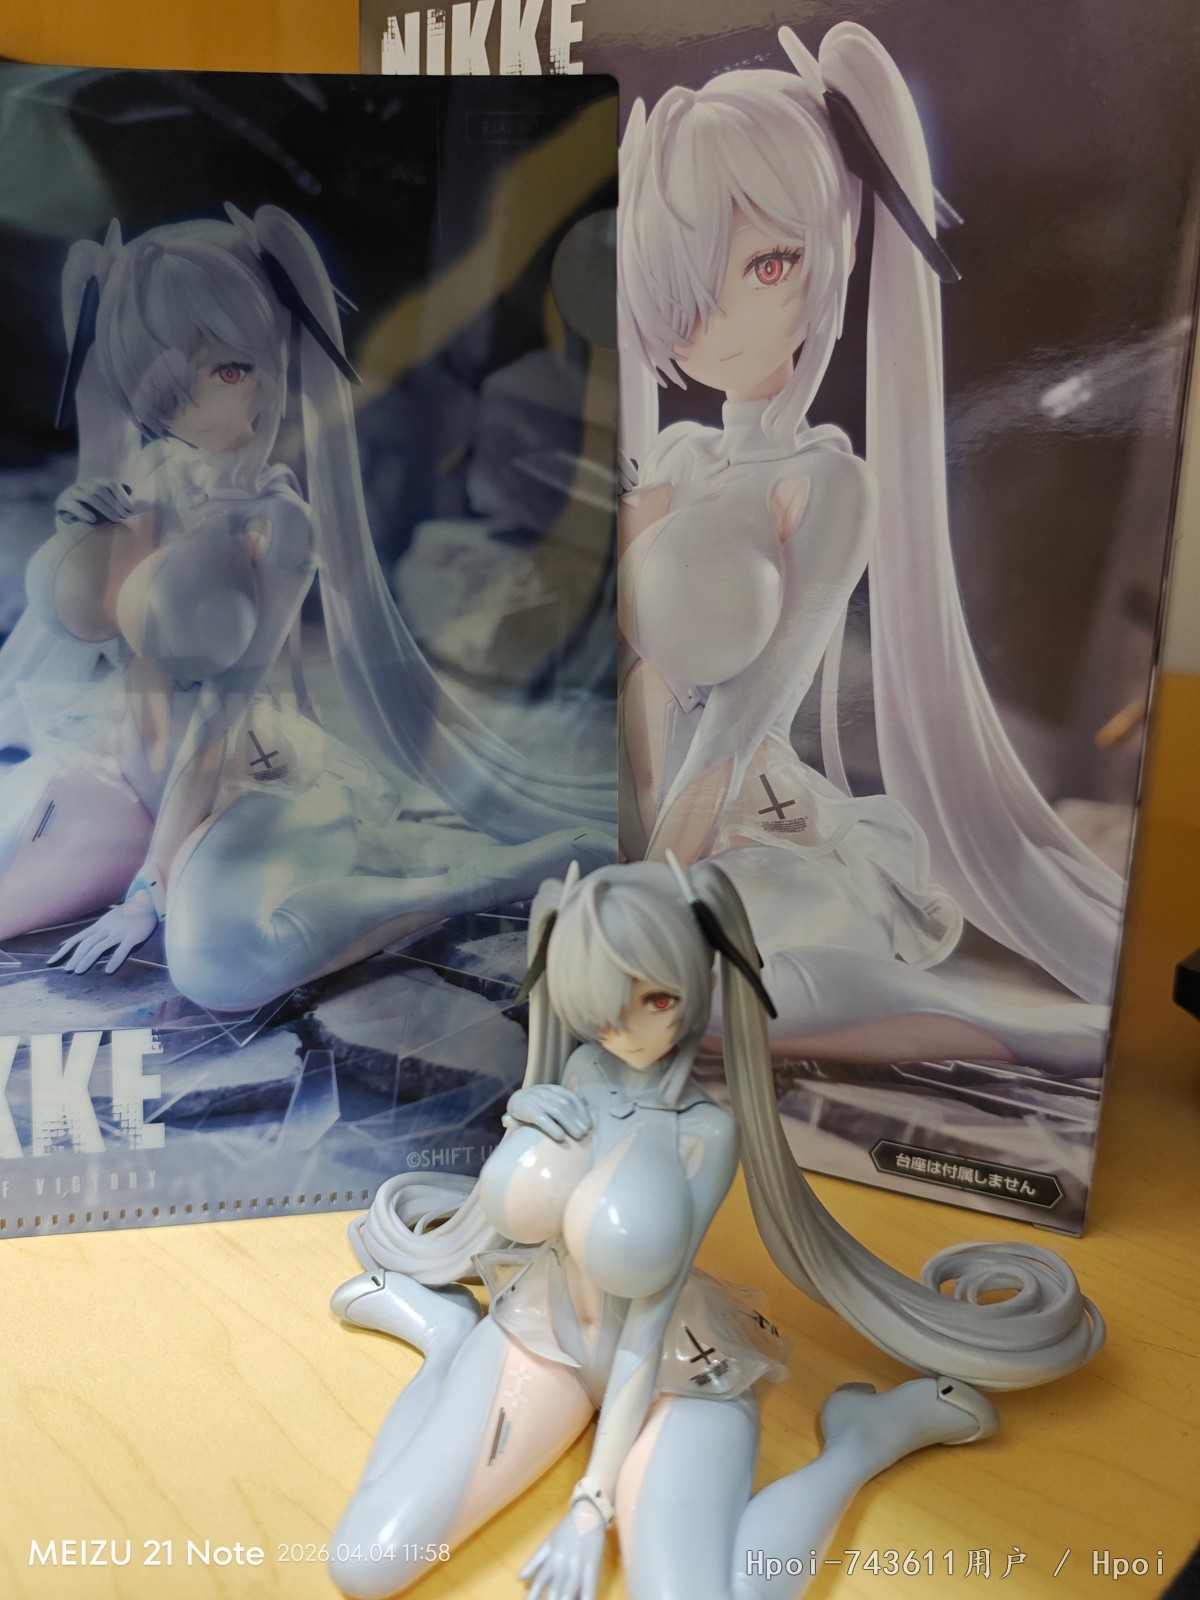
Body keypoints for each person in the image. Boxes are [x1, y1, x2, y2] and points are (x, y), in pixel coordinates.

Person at [329, 858, 1102, 1600]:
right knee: (365, 1564)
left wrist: (591, 1504)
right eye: (596, 1003)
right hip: (540, 1332)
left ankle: (860, 1443)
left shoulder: (706, 1132)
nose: (621, 1027)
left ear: (699, 982)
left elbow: (647, 1321)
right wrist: (521, 1113)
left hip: (673, 1363)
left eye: (655, 999)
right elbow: (538, 1193)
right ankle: (448, 1336)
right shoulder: (576, 1075)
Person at [617, 23, 1124, 1074]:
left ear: (831, 257)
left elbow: (745, 716)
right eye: (690, 270)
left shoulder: (825, 486)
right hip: (657, 813)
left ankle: (1030, 1037)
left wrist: (657, 875)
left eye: (769, 263)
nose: (720, 314)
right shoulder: (673, 460)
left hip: (756, 828)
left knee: (721, 986)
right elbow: (635, 675)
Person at [0, 204, 612, 1011]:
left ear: (265, 365)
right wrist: (86, 521)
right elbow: (103, 637)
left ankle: (467, 882)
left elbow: (221, 711)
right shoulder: (148, 475)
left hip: (242, 781)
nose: (181, 401)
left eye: (223, 369)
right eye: (156, 374)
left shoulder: (277, 521)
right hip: (124, 765)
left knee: (215, 965)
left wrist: (153, 880)